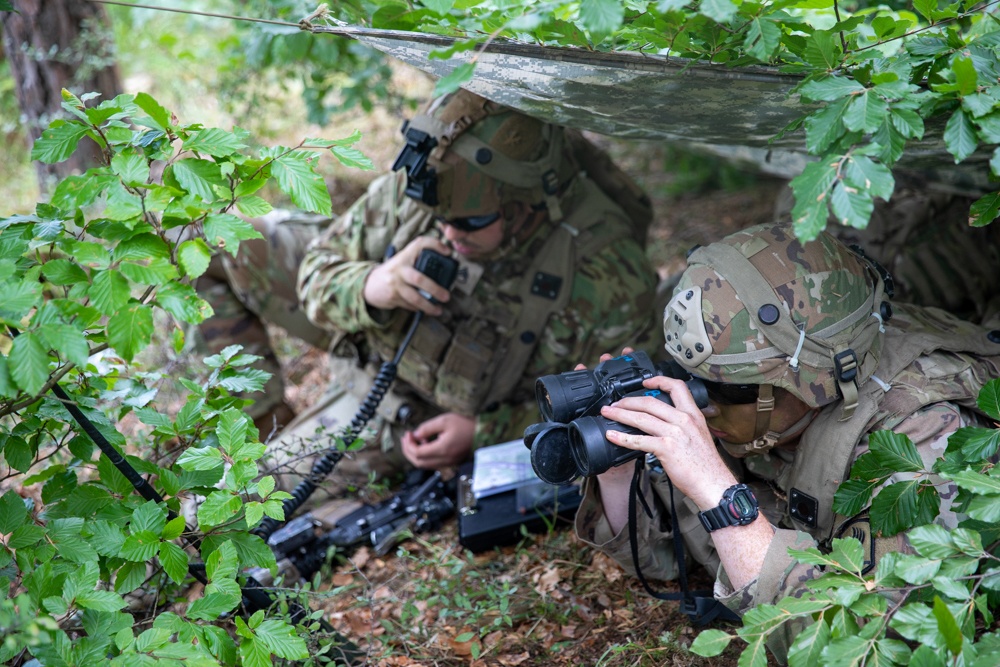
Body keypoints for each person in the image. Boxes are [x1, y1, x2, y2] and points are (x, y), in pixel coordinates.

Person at [574, 221, 1000, 662]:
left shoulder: (923, 443)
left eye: (726, 390)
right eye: (687, 380)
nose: (701, 406)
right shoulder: (758, 405)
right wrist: (619, 465)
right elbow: (661, 557)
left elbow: (859, 646)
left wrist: (721, 499)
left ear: (814, 382)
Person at [234, 89, 660, 490]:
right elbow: (317, 273)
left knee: (250, 494)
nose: (447, 232)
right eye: (437, 217)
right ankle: (264, 425)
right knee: (224, 238)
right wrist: (370, 285)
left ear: (525, 203)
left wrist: (482, 433)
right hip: (370, 357)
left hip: (423, 417)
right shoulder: (423, 187)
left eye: (468, 222)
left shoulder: (607, 270)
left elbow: (613, 404)